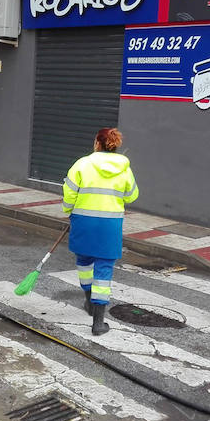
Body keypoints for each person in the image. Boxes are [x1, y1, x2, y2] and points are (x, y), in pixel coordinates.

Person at [62, 127, 139, 336]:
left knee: (84, 263)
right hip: (109, 226)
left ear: (97, 143)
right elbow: (132, 196)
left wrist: (69, 211)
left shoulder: (82, 164)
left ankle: (88, 301)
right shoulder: (124, 168)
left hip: (83, 222)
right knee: (103, 270)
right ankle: (98, 322)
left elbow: (69, 192)